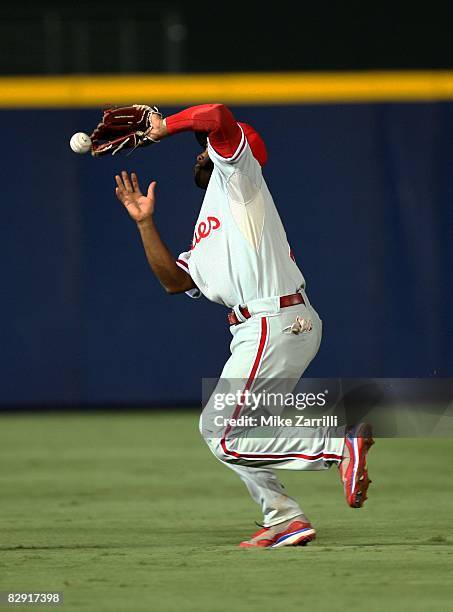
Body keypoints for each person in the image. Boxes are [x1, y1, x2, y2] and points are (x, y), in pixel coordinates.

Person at [113, 103, 374, 548]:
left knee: (220, 431)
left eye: (207, 147)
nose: (201, 152)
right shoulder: (211, 222)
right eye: (201, 148)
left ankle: (336, 444)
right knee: (235, 430)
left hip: (274, 319)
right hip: (264, 326)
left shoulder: (241, 179)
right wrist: (145, 223)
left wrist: (164, 128)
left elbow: (215, 114)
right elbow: (175, 282)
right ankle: (285, 518)